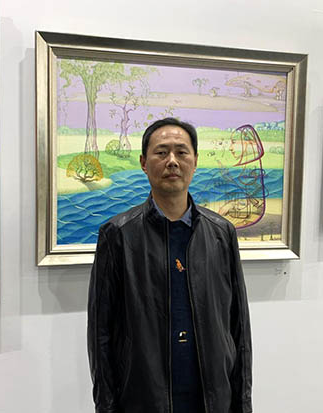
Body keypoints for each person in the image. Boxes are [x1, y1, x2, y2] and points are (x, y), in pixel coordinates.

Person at [87, 118, 252, 413]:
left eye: (181, 152)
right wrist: (106, 407)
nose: (172, 161)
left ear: (195, 161)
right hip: (142, 399)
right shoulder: (118, 235)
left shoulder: (221, 233)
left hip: (212, 398)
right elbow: (101, 333)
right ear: (143, 163)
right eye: (161, 152)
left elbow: (238, 327)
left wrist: (243, 404)